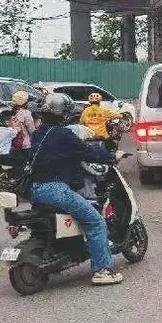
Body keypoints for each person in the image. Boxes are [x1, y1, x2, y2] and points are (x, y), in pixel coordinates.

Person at [29, 92, 125, 286]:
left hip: (35, 188)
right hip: (56, 190)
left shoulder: (39, 133)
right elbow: (87, 151)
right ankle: (102, 270)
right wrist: (112, 156)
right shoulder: (64, 134)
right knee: (96, 222)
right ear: (63, 114)